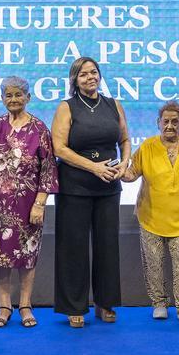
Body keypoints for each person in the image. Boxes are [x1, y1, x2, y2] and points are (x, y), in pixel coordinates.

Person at [51, 57, 130, 328]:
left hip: (109, 186)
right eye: (83, 74)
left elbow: (125, 140)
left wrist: (125, 162)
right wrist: (93, 168)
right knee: (73, 248)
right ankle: (75, 307)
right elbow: (59, 149)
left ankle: (105, 304)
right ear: (74, 80)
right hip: (75, 186)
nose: (90, 78)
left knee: (107, 247)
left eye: (94, 72)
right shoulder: (66, 107)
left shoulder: (113, 104)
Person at [0, 76, 58, 328]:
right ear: (2, 99)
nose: (13, 99)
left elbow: (49, 169)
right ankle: (4, 305)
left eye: (18, 95)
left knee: (26, 255)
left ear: (28, 98)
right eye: (8, 95)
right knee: (0, 255)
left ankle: (25, 305)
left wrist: (40, 204)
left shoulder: (40, 129)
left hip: (28, 206)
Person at [123, 100, 179, 326]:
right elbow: (133, 173)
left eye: (175, 121)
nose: (170, 125)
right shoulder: (147, 146)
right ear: (158, 123)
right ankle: (159, 304)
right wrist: (121, 173)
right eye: (166, 121)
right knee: (153, 263)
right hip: (151, 216)